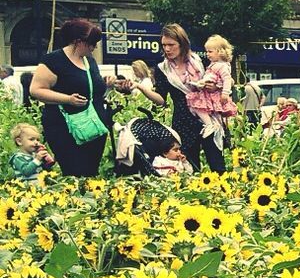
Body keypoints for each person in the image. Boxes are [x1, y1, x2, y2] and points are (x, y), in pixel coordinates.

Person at [30, 18, 132, 177]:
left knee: (91, 172)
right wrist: (67, 99)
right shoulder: (53, 61)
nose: (94, 47)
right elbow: (36, 90)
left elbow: (93, 90)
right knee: (74, 172)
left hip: (93, 127)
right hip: (65, 128)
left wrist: (111, 85)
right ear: (79, 42)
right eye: (92, 43)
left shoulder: (90, 61)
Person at [135, 24, 226, 172]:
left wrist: (215, 87)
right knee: (190, 167)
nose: (167, 49)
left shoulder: (199, 61)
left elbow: (224, 77)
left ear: (182, 44)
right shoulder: (162, 69)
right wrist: (142, 88)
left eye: (171, 45)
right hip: (183, 122)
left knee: (218, 165)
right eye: (164, 45)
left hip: (208, 117)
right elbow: (162, 99)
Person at [187, 35, 238, 155]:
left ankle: (210, 125)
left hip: (214, 95)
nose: (207, 54)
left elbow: (227, 79)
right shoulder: (214, 64)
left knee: (197, 105)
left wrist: (225, 93)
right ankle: (213, 126)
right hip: (210, 93)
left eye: (210, 51)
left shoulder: (221, 66)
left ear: (220, 52)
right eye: (207, 51)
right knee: (207, 110)